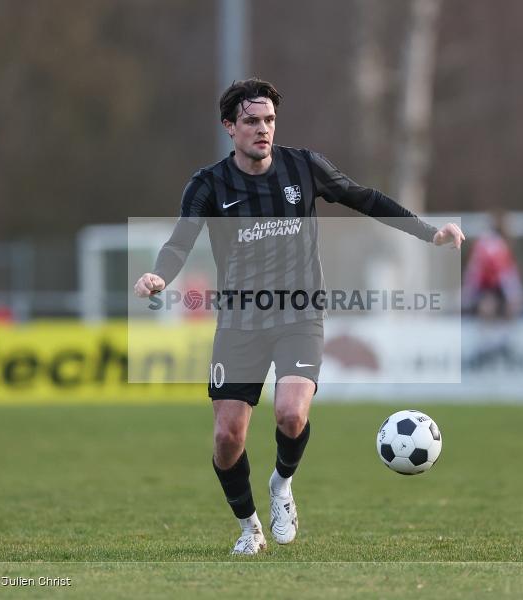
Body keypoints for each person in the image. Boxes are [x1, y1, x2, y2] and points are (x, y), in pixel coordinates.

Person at [133, 78, 464, 555]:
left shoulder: (302, 166)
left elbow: (364, 197)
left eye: (268, 120)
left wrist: (428, 233)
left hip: (299, 313)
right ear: (229, 127)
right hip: (240, 322)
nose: (262, 129)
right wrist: (159, 277)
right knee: (228, 437)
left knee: (290, 413)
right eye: (251, 121)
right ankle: (249, 527)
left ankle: (281, 486)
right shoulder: (208, 184)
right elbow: (179, 242)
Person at [462, 210, 523, 320]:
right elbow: (477, 272)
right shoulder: (493, 246)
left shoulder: (494, 245)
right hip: (487, 289)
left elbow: (508, 273)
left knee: (497, 306)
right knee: (488, 306)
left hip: (494, 289)